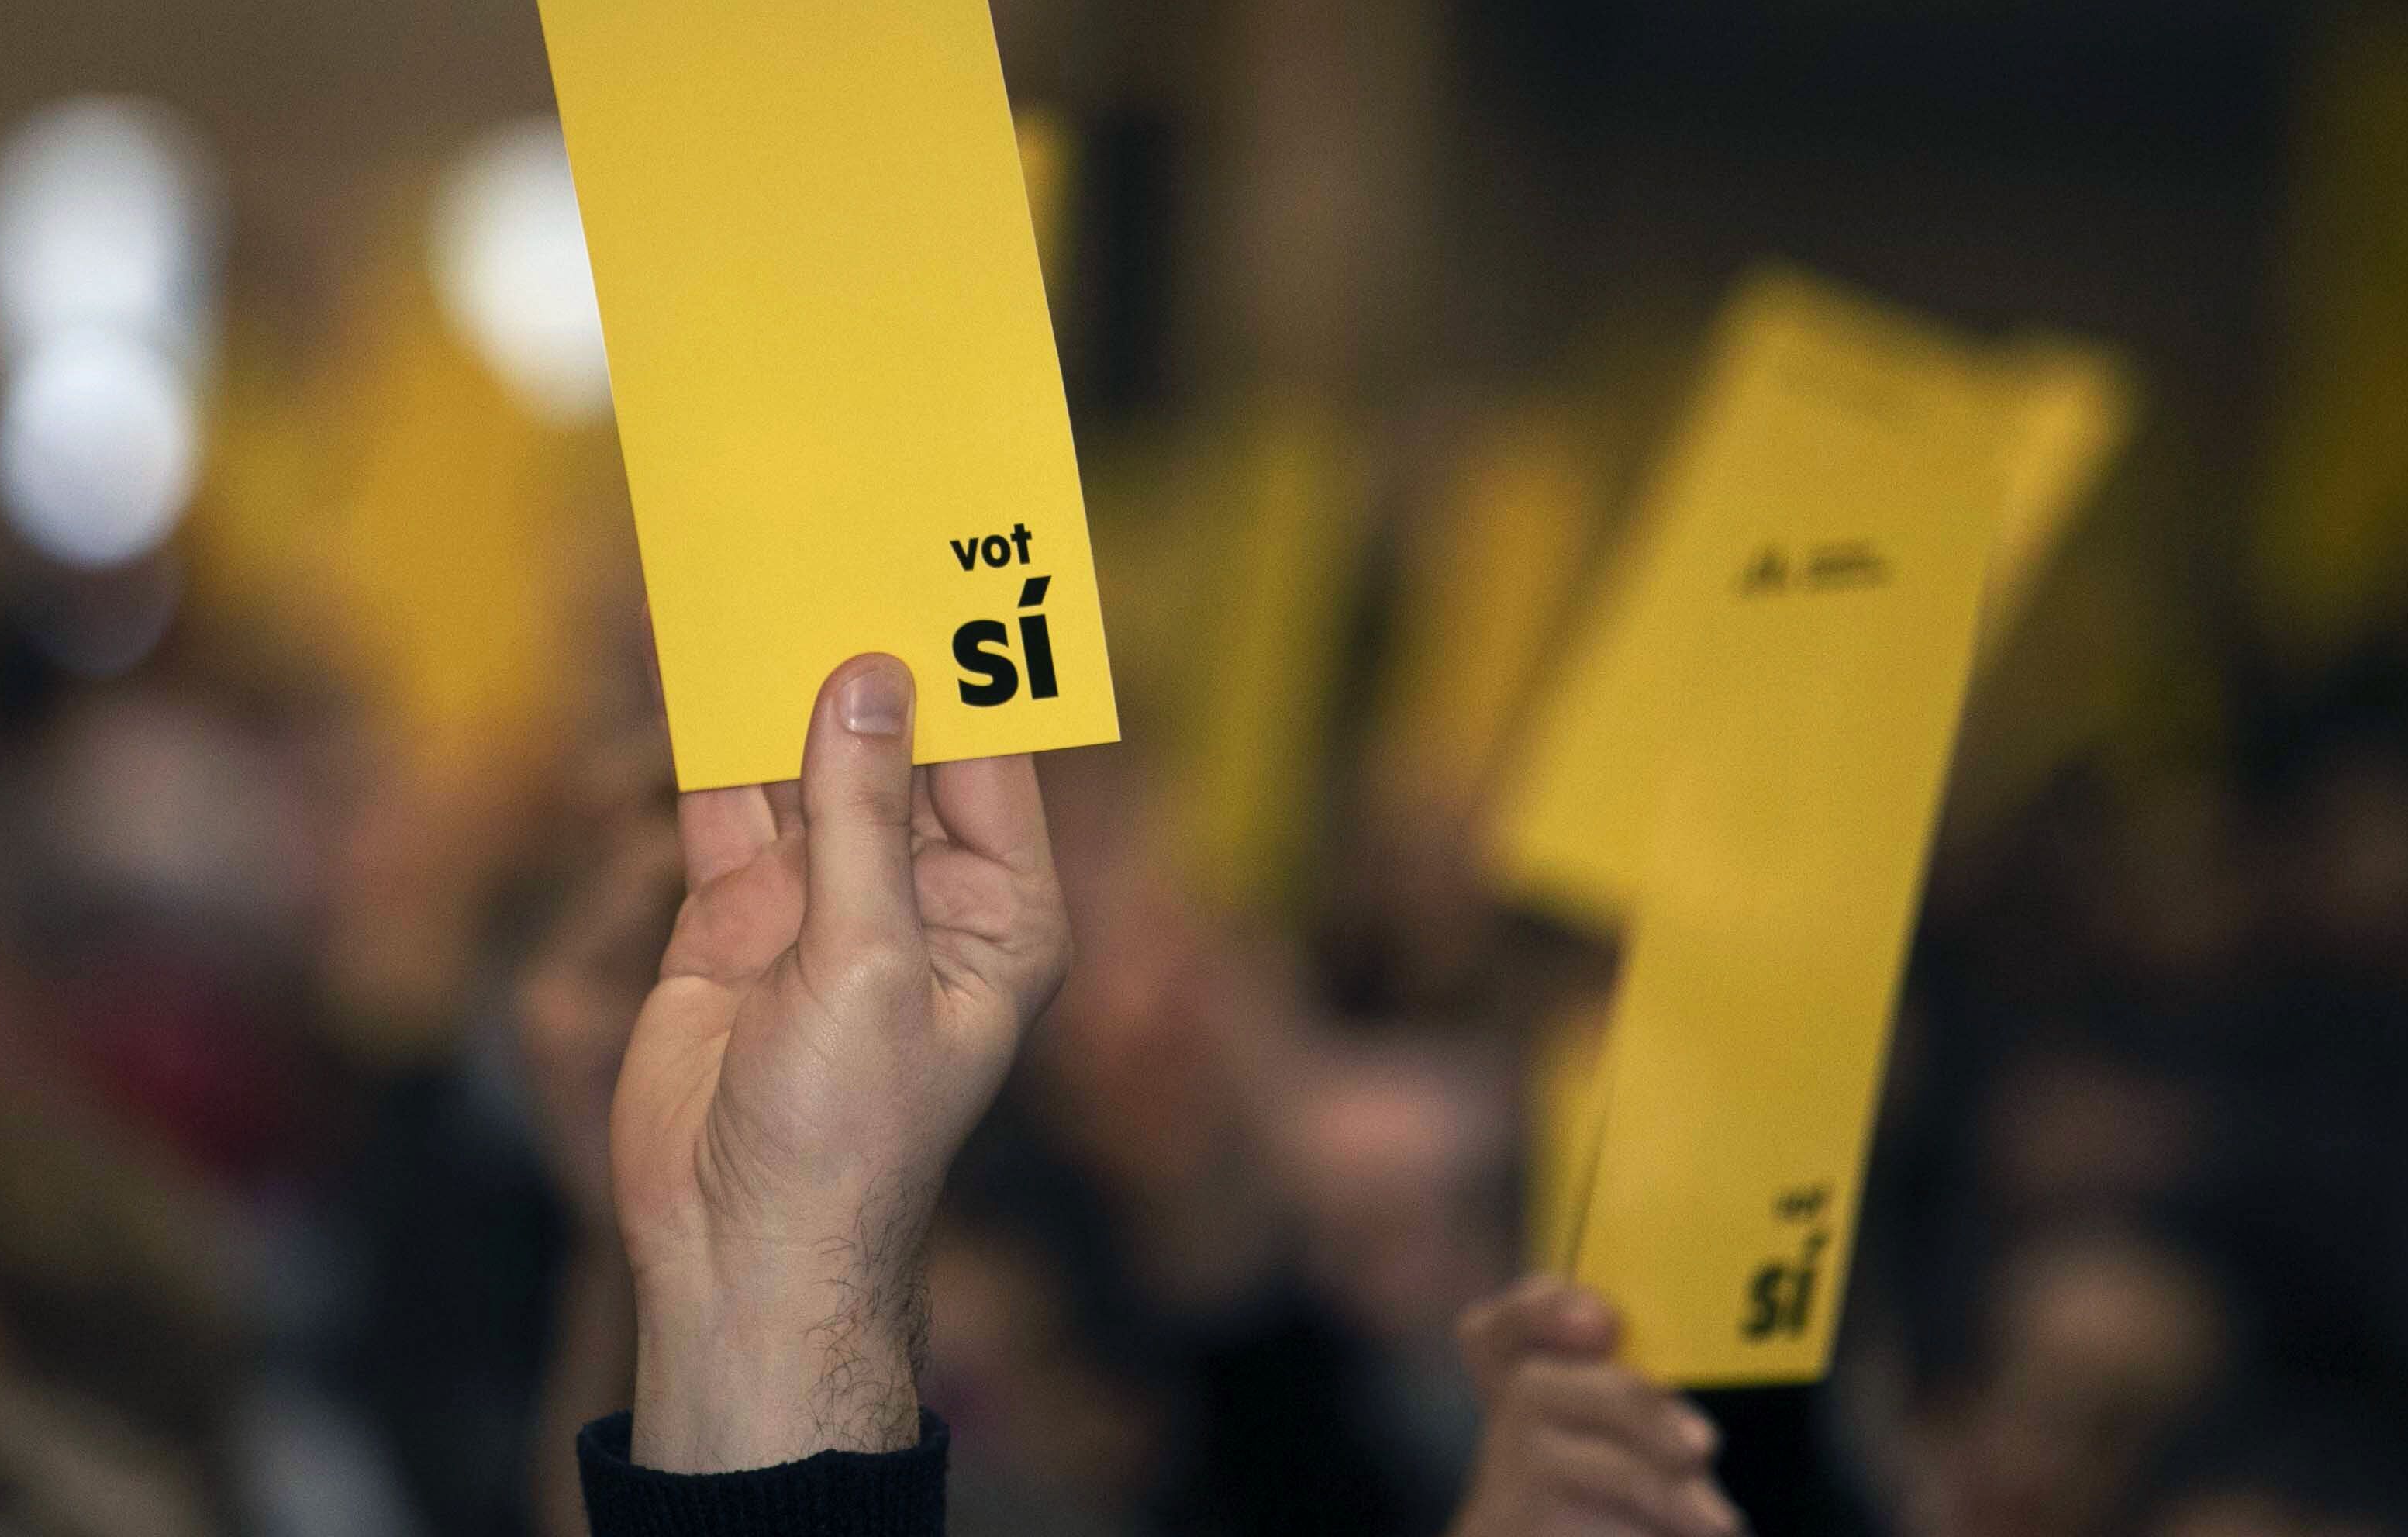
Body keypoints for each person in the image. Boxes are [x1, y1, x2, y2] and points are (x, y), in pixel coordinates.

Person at [575, 652, 1742, 1537]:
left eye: (1141, 844)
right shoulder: (955, 1304)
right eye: (1063, 850)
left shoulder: (1314, 1193)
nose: (1143, 944)